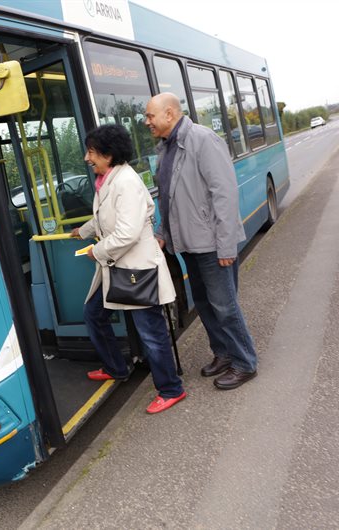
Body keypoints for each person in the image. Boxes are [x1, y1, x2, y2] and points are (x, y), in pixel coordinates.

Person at [145, 92, 258, 390]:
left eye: (150, 116)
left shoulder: (202, 139)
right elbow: (169, 199)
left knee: (225, 306)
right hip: (190, 244)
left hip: (211, 243)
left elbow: (225, 193)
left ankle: (245, 362)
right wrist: (162, 235)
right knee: (206, 305)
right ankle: (223, 354)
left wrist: (226, 244)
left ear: (169, 114)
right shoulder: (166, 147)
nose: (147, 122)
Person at [71, 124, 186, 414]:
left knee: (151, 331)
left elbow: (127, 233)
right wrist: (83, 231)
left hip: (135, 269)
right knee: (94, 314)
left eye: (92, 152)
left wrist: (96, 251)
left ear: (108, 155)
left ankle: (171, 389)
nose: (87, 158)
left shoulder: (125, 183)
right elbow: (107, 218)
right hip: (119, 268)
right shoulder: (108, 179)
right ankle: (116, 367)